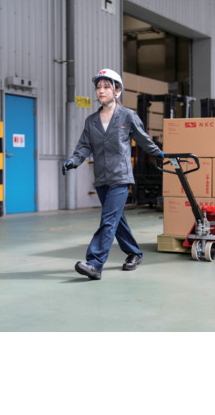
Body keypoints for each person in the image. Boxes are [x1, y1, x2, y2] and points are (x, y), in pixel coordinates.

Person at [62, 68, 164, 281]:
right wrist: (73, 161)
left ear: (117, 90)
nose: (101, 91)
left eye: (106, 87)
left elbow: (143, 138)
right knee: (116, 219)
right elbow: (84, 146)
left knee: (108, 219)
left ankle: (95, 264)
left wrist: (158, 153)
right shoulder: (91, 121)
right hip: (102, 179)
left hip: (120, 177)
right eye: (98, 87)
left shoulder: (127, 116)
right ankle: (134, 253)